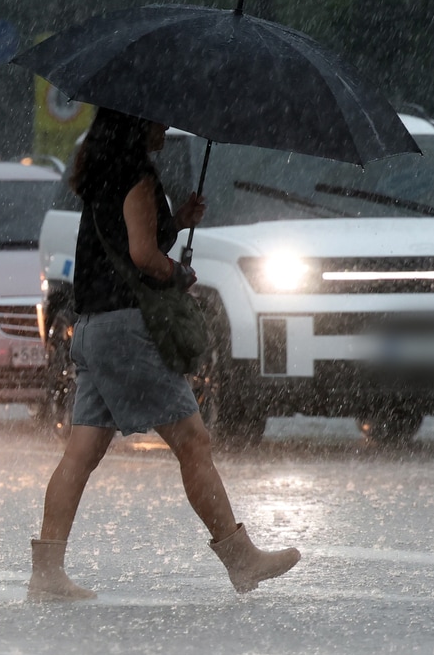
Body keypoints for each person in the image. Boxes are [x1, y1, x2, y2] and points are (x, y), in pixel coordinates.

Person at [28, 108, 300, 600]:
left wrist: (176, 222)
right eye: (156, 121)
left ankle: (46, 573)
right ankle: (240, 559)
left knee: (81, 454)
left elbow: (123, 240)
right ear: (136, 125)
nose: (164, 129)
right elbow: (142, 256)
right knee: (193, 442)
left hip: (93, 328)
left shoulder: (102, 172)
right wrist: (178, 274)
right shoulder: (136, 175)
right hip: (127, 330)